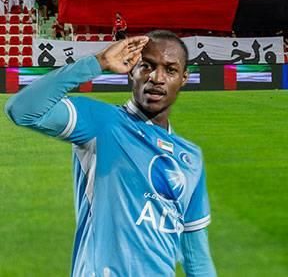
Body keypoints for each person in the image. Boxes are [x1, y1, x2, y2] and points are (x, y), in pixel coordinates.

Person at [5, 33, 216, 276]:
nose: (157, 78)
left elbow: (196, 258)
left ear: (183, 78)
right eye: (147, 66)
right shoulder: (102, 123)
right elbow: (22, 110)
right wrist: (99, 62)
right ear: (131, 71)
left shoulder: (190, 158)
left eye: (170, 70)